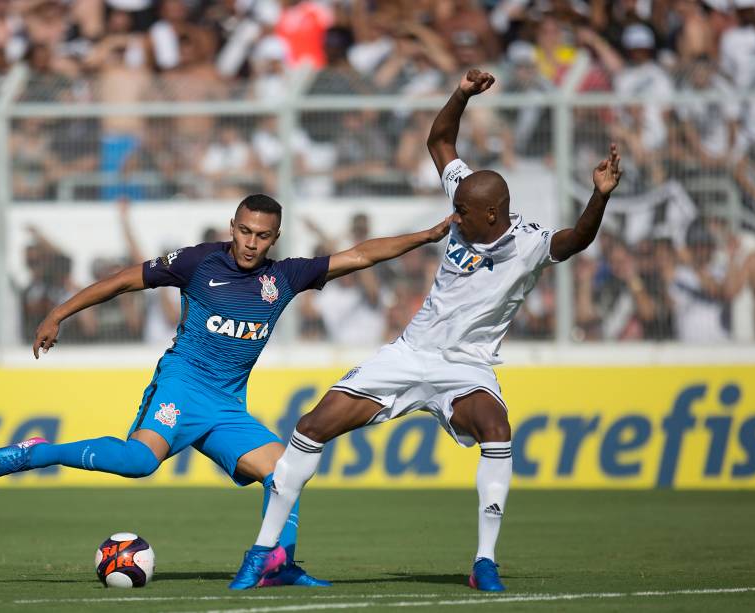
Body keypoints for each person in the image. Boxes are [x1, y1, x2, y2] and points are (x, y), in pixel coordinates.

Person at [233, 70, 623, 592]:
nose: (452, 218)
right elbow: (439, 140)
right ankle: (265, 554)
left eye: (462, 213)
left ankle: (484, 562)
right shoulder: (466, 198)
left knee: (497, 429)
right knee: (312, 424)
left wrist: (598, 196)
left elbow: (575, 240)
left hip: (466, 367)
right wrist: (461, 94)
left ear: (492, 213)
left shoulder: (529, 243)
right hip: (410, 353)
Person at [0, 194, 452, 589]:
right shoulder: (199, 261)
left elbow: (362, 254)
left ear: (274, 238)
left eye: (262, 236)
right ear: (233, 226)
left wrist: (427, 236)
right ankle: (38, 453)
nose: (251, 242)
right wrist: (59, 314)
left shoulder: (284, 277)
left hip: (226, 407)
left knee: (285, 474)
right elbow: (123, 281)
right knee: (138, 463)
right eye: (245, 231)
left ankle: (277, 563)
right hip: (181, 387)